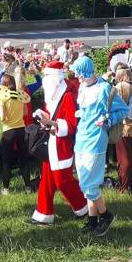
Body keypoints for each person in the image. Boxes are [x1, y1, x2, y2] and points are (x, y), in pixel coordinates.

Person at [70, 55, 128, 236]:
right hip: (81, 139)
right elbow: (85, 110)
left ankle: (106, 216)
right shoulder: (82, 87)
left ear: (86, 72)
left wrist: (107, 119)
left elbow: (123, 110)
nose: (76, 77)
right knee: (85, 184)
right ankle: (93, 221)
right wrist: (81, 113)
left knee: (89, 185)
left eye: (79, 73)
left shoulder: (104, 88)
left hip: (95, 140)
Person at [29, 61, 89, 225]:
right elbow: (51, 116)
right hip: (50, 143)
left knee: (63, 181)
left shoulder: (67, 96)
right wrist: (43, 117)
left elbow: (71, 125)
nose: (44, 79)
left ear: (55, 78)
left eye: (47, 75)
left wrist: (51, 123)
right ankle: (43, 214)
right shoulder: (52, 94)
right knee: (46, 181)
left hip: (61, 145)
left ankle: (84, 206)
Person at [0, 74, 32, 195]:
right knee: (23, 159)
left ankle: (6, 189)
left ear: (4, 84)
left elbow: (3, 117)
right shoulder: (20, 95)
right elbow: (25, 113)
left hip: (8, 131)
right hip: (21, 130)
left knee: (6, 161)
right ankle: (28, 187)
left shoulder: (2, 97)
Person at [113, 66, 132, 192]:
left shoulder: (119, 87)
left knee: (123, 158)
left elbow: (113, 106)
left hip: (123, 126)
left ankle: (124, 186)